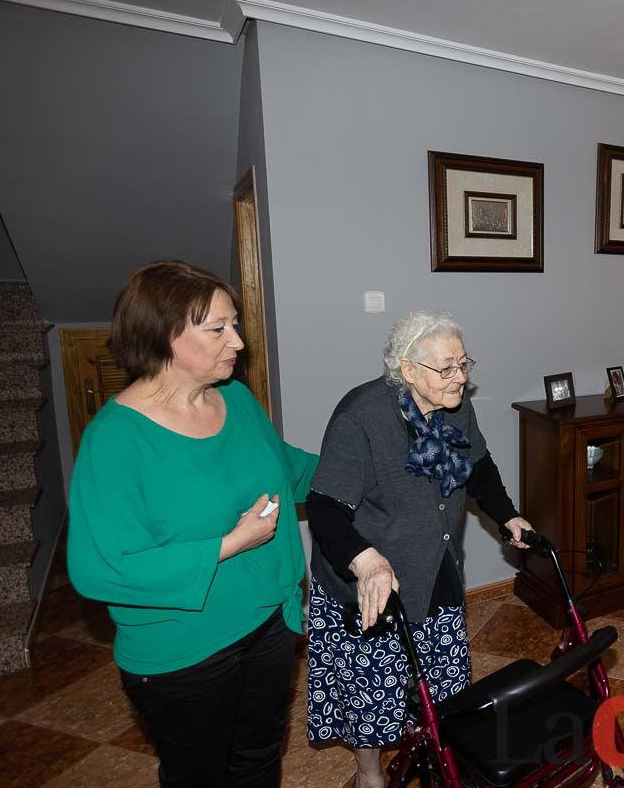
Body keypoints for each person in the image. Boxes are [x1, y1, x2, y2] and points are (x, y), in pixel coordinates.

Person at [67, 261, 318, 788]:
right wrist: (229, 544)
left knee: (259, 757)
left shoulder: (238, 402)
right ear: (166, 336)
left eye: (235, 325)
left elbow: (290, 470)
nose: (239, 342)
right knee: (198, 774)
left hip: (267, 622)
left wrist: (380, 466)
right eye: (219, 328)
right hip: (183, 650)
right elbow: (100, 569)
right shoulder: (115, 440)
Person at [305, 309, 534, 788]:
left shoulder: (454, 407)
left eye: (464, 364)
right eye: (446, 368)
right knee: (371, 691)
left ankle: (439, 753)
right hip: (370, 581)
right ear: (408, 370)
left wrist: (507, 513)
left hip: (436, 565)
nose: (460, 379)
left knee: (444, 682)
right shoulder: (361, 416)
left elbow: (480, 466)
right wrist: (367, 562)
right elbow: (324, 508)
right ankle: (369, 774)